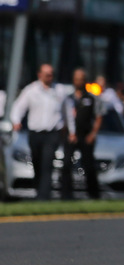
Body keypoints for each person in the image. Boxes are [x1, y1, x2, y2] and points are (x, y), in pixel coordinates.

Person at [10, 64, 74, 201]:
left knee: (47, 163)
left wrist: (72, 131)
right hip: (35, 133)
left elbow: (68, 112)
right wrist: (16, 121)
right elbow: (18, 107)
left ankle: (43, 197)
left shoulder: (60, 90)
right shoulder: (31, 90)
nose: (49, 77)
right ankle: (39, 190)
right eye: (46, 74)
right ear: (40, 75)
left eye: (51, 74)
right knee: (37, 163)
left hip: (53, 133)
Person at [65, 69, 105, 200]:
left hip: (86, 135)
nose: (78, 82)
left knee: (89, 165)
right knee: (66, 164)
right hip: (71, 136)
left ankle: (94, 194)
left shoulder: (91, 98)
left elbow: (99, 117)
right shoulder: (68, 98)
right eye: (76, 79)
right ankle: (67, 195)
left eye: (81, 79)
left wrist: (93, 134)